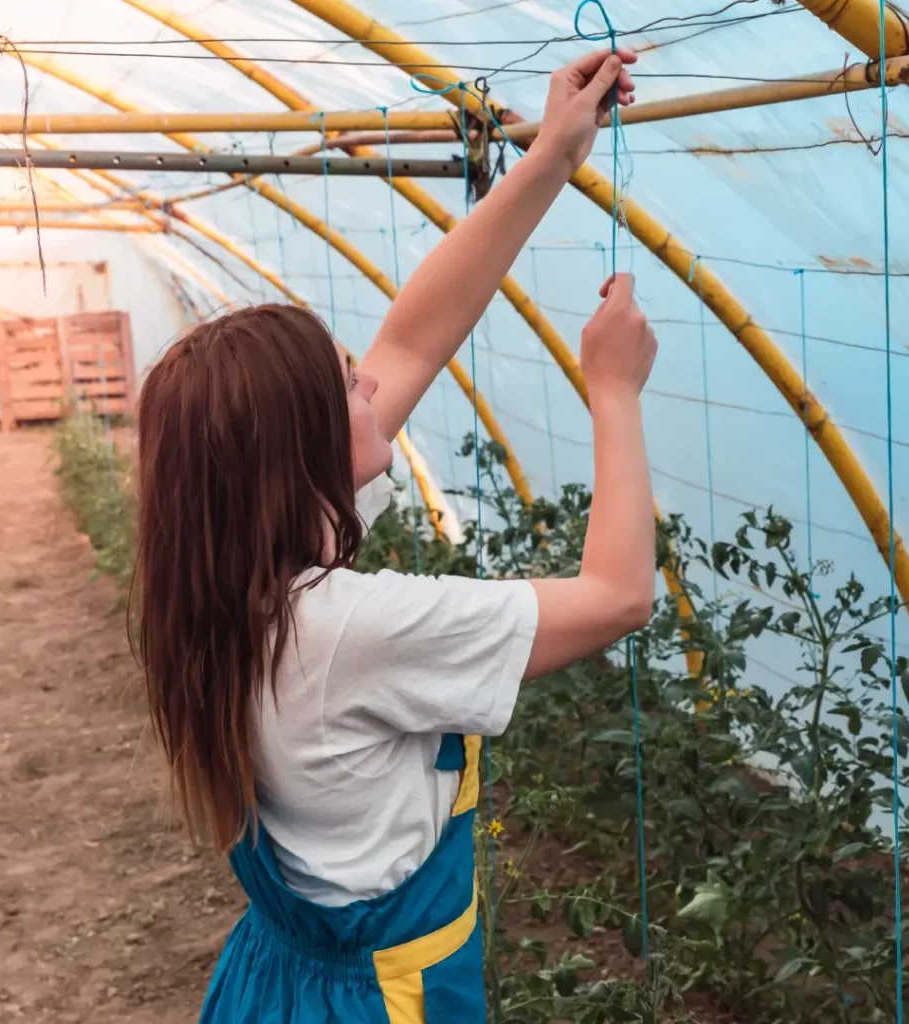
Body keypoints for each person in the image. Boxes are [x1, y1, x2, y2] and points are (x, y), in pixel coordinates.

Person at [134, 47, 656, 1024]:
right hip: (381, 1002)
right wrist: (614, 391)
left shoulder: (243, 581)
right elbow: (619, 594)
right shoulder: (345, 632)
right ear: (298, 452)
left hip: (278, 977)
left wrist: (550, 156)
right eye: (344, 381)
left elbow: (415, 338)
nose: (370, 381)